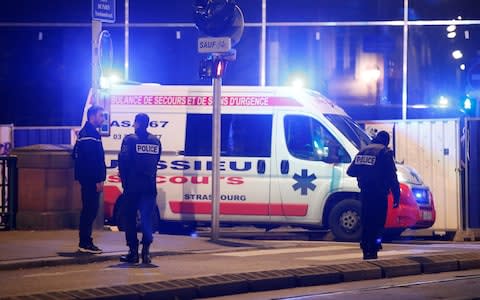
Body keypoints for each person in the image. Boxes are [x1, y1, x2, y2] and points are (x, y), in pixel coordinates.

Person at [346, 131, 400, 260]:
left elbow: (351, 171)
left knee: (366, 221)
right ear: (386, 141)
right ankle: (374, 248)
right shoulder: (384, 152)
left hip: (365, 193)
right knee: (378, 222)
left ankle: (365, 247)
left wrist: (364, 173)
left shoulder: (363, 151)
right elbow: (392, 176)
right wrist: (396, 195)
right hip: (379, 194)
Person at [118, 113, 161, 264]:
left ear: (136, 123)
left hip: (133, 187)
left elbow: (123, 163)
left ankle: (133, 252)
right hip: (149, 186)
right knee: (147, 220)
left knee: (130, 219)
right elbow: (156, 162)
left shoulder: (130, 140)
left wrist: (125, 183)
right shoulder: (155, 141)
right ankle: (146, 253)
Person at [73, 105, 106, 254]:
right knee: (90, 210)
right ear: (92, 116)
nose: (103, 119)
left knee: (89, 210)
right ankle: (85, 242)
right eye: (101, 116)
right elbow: (93, 160)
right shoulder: (90, 134)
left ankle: (85, 241)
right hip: (91, 179)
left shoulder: (85, 133)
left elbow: (75, 154)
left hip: (87, 178)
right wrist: (98, 180)